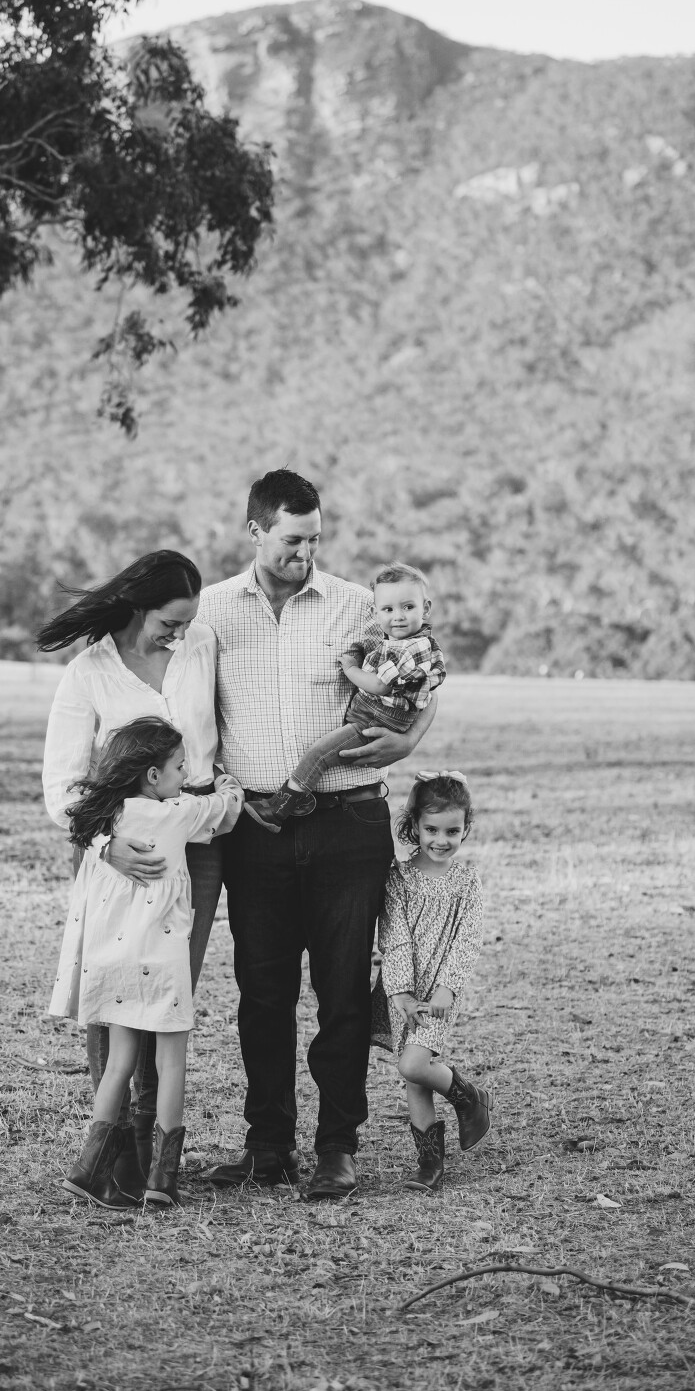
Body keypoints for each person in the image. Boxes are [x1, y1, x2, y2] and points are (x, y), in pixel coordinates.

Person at [197, 469, 438, 1201]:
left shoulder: (358, 605)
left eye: (315, 540)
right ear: (255, 531)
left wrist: (411, 740)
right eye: (292, 539)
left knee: (342, 994)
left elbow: (423, 673)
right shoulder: (212, 610)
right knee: (261, 992)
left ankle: (338, 1148)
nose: (305, 552)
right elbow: (192, 711)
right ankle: (267, 1146)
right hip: (258, 827)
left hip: (347, 822)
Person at [39, 550, 224, 1196]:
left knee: (166, 992)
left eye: (187, 622)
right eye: (169, 622)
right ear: (138, 608)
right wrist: (104, 844)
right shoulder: (88, 674)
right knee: (115, 996)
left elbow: (218, 738)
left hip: (193, 842)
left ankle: (152, 1153)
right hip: (116, 853)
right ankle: (116, 1161)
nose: (180, 633)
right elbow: (62, 785)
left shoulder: (201, 646)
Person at [53, 718, 243, 1208]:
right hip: (162, 961)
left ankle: (88, 1168)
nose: (186, 774)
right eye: (180, 767)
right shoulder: (179, 812)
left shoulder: (107, 820)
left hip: (116, 959)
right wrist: (226, 783)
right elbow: (225, 812)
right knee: (171, 1061)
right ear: (154, 776)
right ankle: (162, 1178)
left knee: (119, 1063)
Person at [244, 561, 446, 831]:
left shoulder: (410, 648)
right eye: (388, 609)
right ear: (375, 612)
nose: (398, 616)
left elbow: (379, 685)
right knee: (323, 752)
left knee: (319, 754)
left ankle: (279, 808)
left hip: (375, 721)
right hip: (374, 715)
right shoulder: (401, 641)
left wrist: (351, 669)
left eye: (408, 607)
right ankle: (295, 799)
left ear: (426, 608)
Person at [370, 770, 491, 1194]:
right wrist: (401, 993)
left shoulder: (466, 882)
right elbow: (395, 935)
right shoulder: (399, 878)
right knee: (414, 1078)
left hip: (440, 993)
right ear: (415, 827)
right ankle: (430, 1163)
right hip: (405, 992)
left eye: (453, 831)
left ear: (465, 828)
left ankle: (469, 1097)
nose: (442, 840)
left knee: (414, 1064)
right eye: (432, 830)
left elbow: (467, 941)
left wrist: (446, 988)